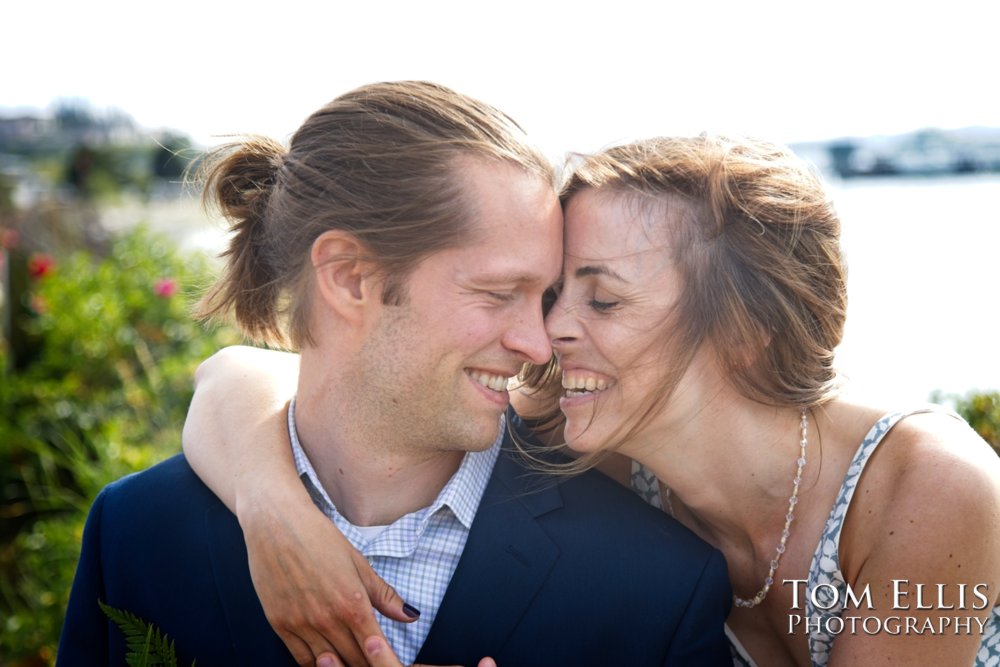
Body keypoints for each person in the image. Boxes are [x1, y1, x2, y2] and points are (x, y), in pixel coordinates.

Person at [183, 134, 1000, 666]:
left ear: (746, 326)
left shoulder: (929, 488)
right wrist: (275, 515)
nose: (547, 334)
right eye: (550, 294)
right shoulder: (597, 439)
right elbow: (239, 377)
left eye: (602, 301)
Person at [57, 82, 733, 667]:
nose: (537, 344)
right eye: (500, 293)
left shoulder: (655, 584)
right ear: (350, 277)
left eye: (545, 295)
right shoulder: (136, 533)